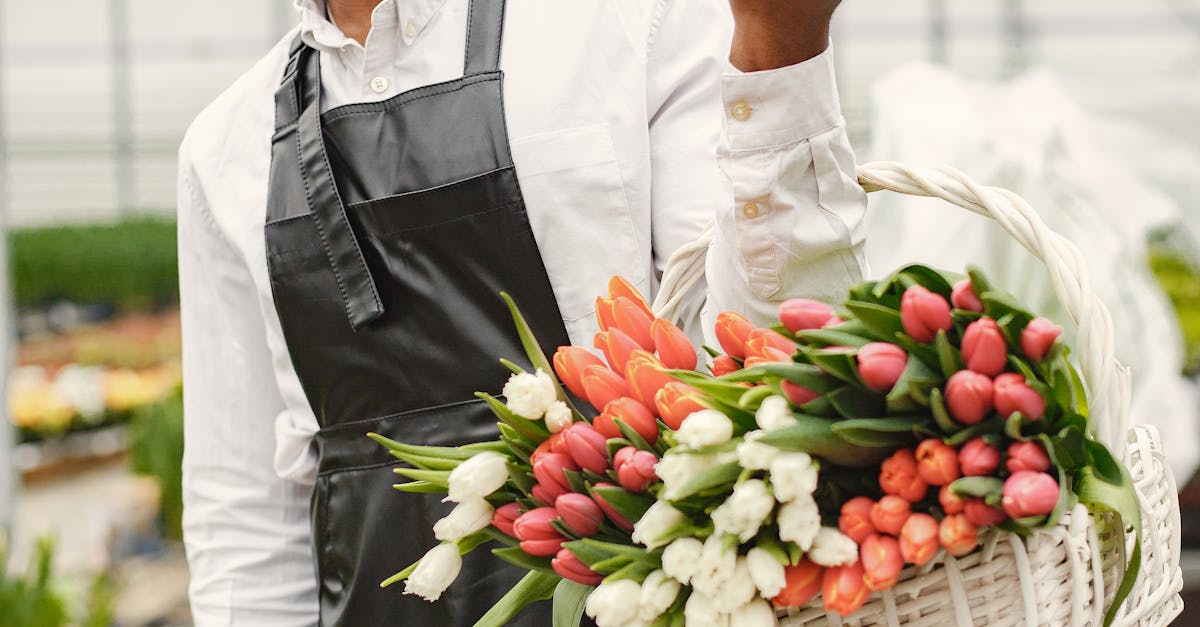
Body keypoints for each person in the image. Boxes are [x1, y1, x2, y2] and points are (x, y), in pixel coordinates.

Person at [177, 0, 866, 624]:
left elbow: (770, 362)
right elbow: (245, 521)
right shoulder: (223, 149)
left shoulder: (634, 26)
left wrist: (781, 52)